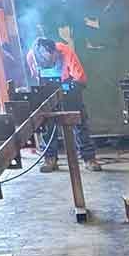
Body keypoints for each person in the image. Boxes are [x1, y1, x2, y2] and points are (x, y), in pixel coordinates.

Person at [25, 37, 99, 172]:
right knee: (46, 123)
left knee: (79, 120)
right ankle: (50, 158)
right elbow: (35, 78)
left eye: (50, 62)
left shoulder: (66, 51)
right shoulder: (31, 56)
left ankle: (88, 158)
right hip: (47, 90)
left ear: (55, 52)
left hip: (68, 88)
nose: (49, 65)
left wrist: (69, 87)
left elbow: (81, 78)